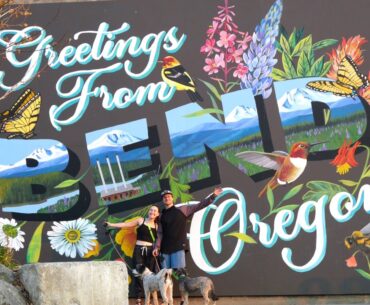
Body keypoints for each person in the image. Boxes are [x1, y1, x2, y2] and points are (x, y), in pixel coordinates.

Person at [153, 187, 223, 276]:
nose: (167, 198)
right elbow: (160, 233)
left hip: (178, 247)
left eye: (169, 196)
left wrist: (213, 196)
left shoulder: (183, 209)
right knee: (164, 277)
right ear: (163, 200)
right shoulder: (161, 216)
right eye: (164, 197)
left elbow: (200, 205)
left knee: (181, 274)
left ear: (172, 198)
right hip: (164, 249)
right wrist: (157, 247)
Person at [106, 205, 160, 305]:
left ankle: (152, 299)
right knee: (138, 273)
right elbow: (126, 225)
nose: (152, 212)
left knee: (151, 274)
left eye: (155, 211)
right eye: (151, 210)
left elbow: (159, 240)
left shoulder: (157, 226)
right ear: (148, 212)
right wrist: (111, 225)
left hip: (150, 251)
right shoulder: (140, 220)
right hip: (138, 249)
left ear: (157, 214)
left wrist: (157, 249)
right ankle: (139, 298)